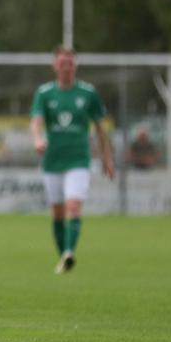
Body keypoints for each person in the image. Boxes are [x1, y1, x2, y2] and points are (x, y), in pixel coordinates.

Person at [30, 46, 115, 274]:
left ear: (75, 65)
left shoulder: (88, 93)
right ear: (54, 66)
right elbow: (36, 121)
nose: (66, 66)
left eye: (70, 62)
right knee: (57, 212)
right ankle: (63, 257)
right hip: (52, 161)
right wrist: (38, 139)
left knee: (74, 206)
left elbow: (100, 128)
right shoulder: (45, 93)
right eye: (61, 62)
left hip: (78, 160)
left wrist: (106, 158)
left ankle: (69, 252)